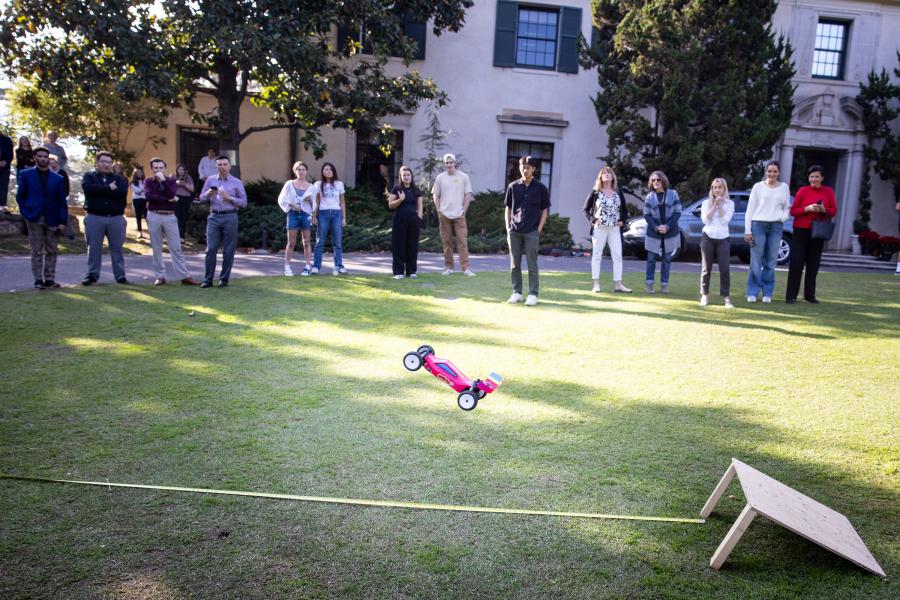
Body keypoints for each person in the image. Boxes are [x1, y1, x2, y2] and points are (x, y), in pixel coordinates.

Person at [15, 146, 67, 288]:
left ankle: (49, 279)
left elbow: (62, 202)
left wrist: (63, 221)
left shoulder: (58, 178)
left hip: (53, 218)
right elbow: (20, 197)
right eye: (40, 156)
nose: (43, 159)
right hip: (34, 217)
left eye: (45, 157)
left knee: (52, 250)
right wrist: (26, 213)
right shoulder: (26, 174)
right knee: (36, 250)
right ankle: (38, 280)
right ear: (35, 157)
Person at [785, 165, 838, 304]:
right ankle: (791, 296)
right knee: (796, 263)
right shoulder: (802, 190)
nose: (814, 179)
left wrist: (823, 209)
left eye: (817, 176)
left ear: (822, 178)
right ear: (808, 178)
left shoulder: (828, 192)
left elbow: (833, 211)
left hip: (818, 232)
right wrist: (807, 208)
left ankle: (809, 296)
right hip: (801, 231)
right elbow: (793, 211)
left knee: (813, 264)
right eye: (811, 176)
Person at [144, 158, 200, 286]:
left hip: (169, 216)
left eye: (160, 168)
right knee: (156, 247)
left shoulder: (171, 181)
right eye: (155, 168)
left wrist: (163, 183)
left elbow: (171, 194)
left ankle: (184, 276)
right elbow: (149, 196)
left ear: (165, 168)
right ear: (152, 169)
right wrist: (167, 198)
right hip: (154, 215)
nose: (158, 170)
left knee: (176, 247)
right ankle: (160, 276)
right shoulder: (148, 181)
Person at [505, 155, 550, 306]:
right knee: (514, 264)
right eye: (523, 167)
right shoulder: (513, 187)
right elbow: (508, 208)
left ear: (534, 169)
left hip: (532, 231)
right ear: (520, 168)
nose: (525, 170)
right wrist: (508, 227)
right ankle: (517, 292)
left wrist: (538, 229)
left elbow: (545, 210)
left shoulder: (541, 188)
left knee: (532, 264)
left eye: (528, 167)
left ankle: (533, 294)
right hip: (515, 230)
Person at [745, 160, 791, 303]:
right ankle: (752, 292)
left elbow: (786, 207)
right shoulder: (757, 187)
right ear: (766, 172)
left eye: (775, 171)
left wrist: (782, 218)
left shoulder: (784, 187)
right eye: (769, 171)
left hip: (776, 227)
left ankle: (767, 293)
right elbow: (750, 209)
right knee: (756, 261)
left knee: (771, 262)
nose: (772, 174)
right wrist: (748, 230)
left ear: (778, 173)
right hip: (758, 225)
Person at [197, 155, 247, 287]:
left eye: (225, 164)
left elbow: (244, 202)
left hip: (230, 216)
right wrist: (208, 194)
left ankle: (223, 279)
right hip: (214, 216)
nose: (223, 167)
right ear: (216, 166)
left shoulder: (236, 182)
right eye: (220, 165)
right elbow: (201, 198)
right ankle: (207, 280)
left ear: (229, 166)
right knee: (211, 249)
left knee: (229, 250)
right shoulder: (210, 180)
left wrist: (229, 198)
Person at [81, 151, 129, 285]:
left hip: (115, 218)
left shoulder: (119, 179)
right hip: (95, 217)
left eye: (109, 162)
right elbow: (89, 190)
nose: (106, 164)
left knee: (117, 248)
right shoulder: (89, 176)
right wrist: (108, 188)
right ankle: (92, 275)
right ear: (97, 163)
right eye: (103, 161)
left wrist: (101, 191)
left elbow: (121, 193)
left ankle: (120, 275)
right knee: (94, 248)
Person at [581, 166, 631, 293]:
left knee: (617, 255)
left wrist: (622, 222)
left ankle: (618, 284)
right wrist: (593, 220)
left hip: (614, 228)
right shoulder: (596, 192)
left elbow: (625, 211)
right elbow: (585, 209)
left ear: (613, 176)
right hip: (600, 228)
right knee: (597, 255)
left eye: (609, 173)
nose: (607, 174)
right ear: (601, 177)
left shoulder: (618, 192)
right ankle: (596, 284)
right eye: (604, 173)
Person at [432, 153, 475, 276]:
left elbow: (468, 194)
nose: (449, 164)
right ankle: (448, 268)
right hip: (444, 215)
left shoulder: (463, 177)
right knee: (447, 242)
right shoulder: (440, 178)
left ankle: (466, 268)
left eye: (451, 162)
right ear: (444, 164)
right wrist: (439, 210)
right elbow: (436, 194)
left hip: (459, 215)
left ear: (455, 163)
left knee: (462, 241)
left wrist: (464, 210)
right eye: (447, 163)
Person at [643, 171, 682, 293]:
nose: (655, 182)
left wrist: (667, 226)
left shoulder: (673, 194)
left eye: (658, 180)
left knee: (666, 259)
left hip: (670, 231)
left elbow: (677, 212)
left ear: (663, 181)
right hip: (653, 232)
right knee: (651, 259)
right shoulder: (649, 196)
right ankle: (649, 284)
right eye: (653, 180)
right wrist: (656, 227)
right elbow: (646, 215)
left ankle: (664, 285)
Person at [699, 178, 735, 308]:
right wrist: (714, 205)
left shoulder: (730, 204)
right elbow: (705, 220)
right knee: (706, 269)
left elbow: (725, 220)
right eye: (715, 187)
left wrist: (720, 206)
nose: (717, 190)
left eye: (720, 187)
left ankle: (726, 298)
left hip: (723, 238)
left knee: (724, 269)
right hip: (708, 237)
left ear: (724, 189)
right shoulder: (705, 203)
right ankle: (705, 295)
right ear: (712, 189)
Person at [277, 161, 314, 276]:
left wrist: (310, 201)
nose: (301, 172)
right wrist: (292, 204)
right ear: (295, 171)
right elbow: (281, 199)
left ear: (306, 171)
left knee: (306, 242)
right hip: (293, 214)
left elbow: (316, 205)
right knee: (291, 242)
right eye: (299, 169)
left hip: (306, 215)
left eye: (303, 169)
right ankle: (287, 267)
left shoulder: (311, 187)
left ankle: (308, 266)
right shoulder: (289, 184)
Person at [311, 162, 348, 276]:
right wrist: (314, 215)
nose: (328, 171)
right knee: (320, 241)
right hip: (323, 213)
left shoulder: (339, 184)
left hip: (336, 214)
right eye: (326, 169)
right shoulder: (318, 184)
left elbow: (342, 202)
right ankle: (316, 266)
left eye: (330, 169)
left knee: (337, 242)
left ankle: (338, 266)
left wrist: (344, 217)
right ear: (322, 171)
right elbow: (316, 201)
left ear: (333, 171)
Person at [387, 165, 423, 279]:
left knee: (412, 246)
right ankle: (398, 272)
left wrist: (419, 218)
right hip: (399, 221)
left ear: (411, 176)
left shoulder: (416, 190)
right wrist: (400, 199)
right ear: (401, 177)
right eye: (404, 175)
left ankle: (411, 271)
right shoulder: (396, 189)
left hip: (413, 221)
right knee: (399, 246)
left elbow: (420, 205)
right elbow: (390, 205)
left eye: (408, 175)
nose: (406, 177)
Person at [174, 163, 195, 241]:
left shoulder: (188, 178)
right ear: (177, 170)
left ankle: (182, 236)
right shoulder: (174, 177)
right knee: (176, 216)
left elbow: (192, 189)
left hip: (185, 198)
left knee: (183, 216)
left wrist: (184, 184)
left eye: (182, 169)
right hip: (176, 198)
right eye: (179, 169)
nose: (181, 171)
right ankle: (176, 235)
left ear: (185, 170)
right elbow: (170, 188)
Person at [130, 166, 147, 240]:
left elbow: (146, 191)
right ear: (135, 174)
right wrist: (143, 189)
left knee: (147, 215)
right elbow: (137, 191)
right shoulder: (132, 182)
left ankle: (151, 230)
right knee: (138, 216)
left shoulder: (145, 181)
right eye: (138, 172)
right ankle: (139, 231)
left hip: (144, 199)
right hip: (136, 200)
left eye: (141, 172)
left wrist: (142, 190)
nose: (139, 174)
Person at [0, 129, 11, 212]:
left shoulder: (7, 140)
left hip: (4, 167)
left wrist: (6, 161)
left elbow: (10, 153)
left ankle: (2, 205)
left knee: (3, 186)